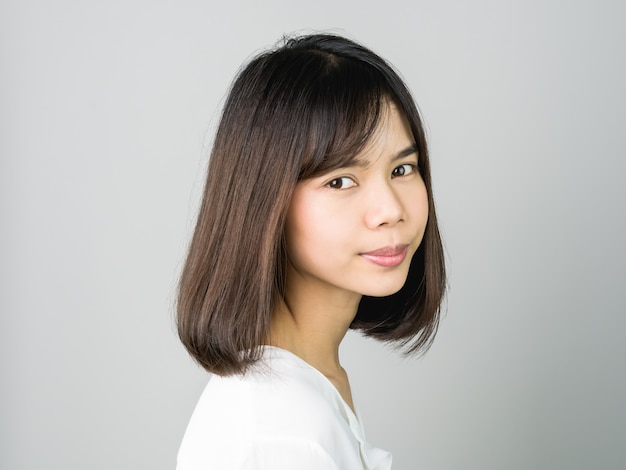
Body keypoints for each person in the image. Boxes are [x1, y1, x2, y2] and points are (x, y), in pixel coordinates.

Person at [175, 33, 446, 470]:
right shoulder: (283, 432)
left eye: (402, 169)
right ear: (265, 201)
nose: (390, 211)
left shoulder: (309, 386)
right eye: (340, 180)